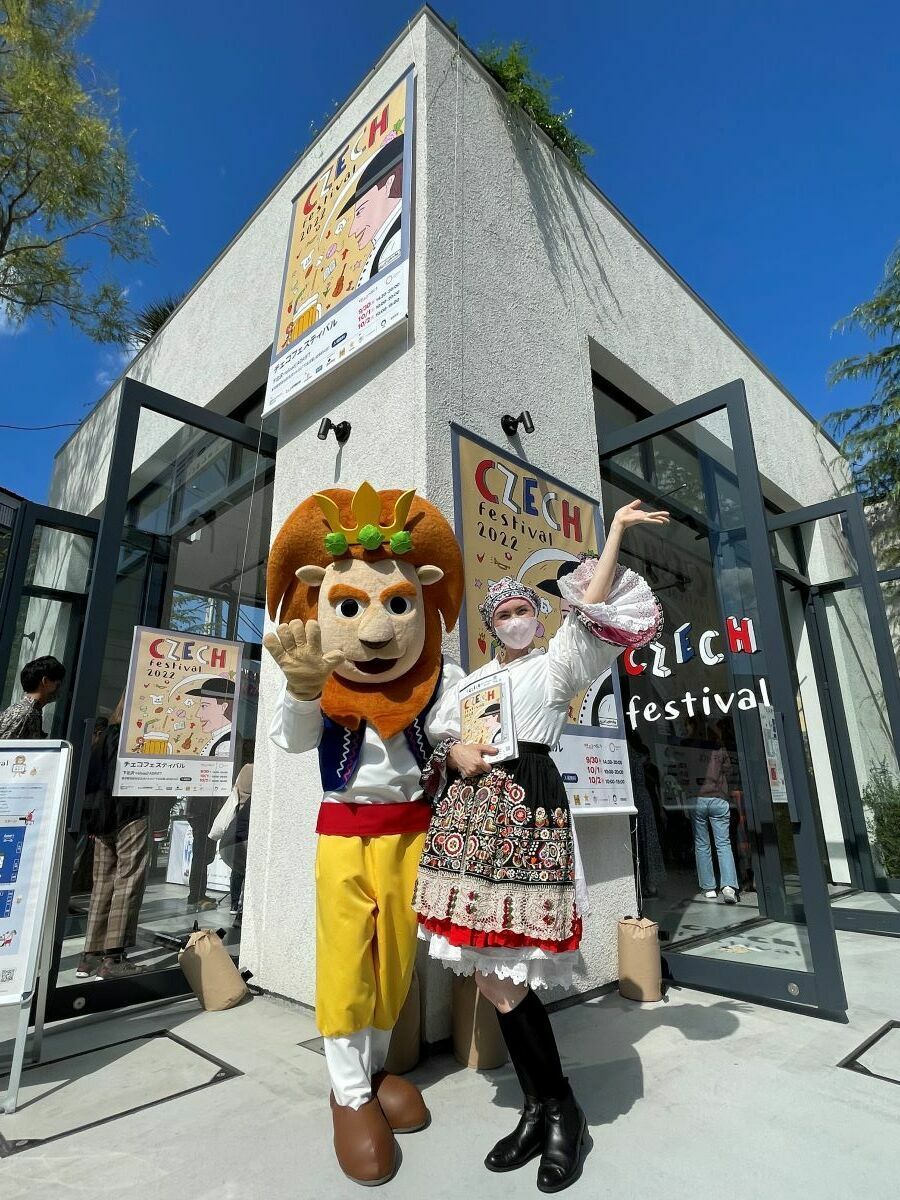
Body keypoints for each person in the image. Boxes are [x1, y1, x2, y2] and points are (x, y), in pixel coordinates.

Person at [413, 499, 667, 1193]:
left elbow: (591, 607)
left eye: (524, 610)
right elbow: (439, 734)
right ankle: (540, 1107)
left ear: (537, 616)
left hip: (527, 803)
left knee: (514, 966)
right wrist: (455, 750)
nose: (516, 620)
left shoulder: (555, 666)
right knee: (489, 974)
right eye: (504, 614)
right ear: (490, 626)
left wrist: (614, 533)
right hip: (470, 817)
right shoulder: (470, 681)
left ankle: (559, 1109)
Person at [265, 482, 465, 1187]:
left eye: (397, 605)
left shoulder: (438, 677)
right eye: (350, 607)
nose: (376, 631)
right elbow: (292, 742)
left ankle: (372, 1071)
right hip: (345, 833)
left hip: (412, 832)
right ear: (322, 603)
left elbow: (455, 730)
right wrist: (301, 691)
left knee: (396, 963)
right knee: (347, 960)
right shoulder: (320, 678)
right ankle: (347, 1094)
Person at [76, 696, 150, 980]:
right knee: (128, 882)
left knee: (102, 884)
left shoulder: (102, 737)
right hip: (129, 813)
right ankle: (113, 958)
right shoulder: (135, 738)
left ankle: (89, 956)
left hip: (100, 819)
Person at [682, 716, 739, 903]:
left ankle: (709, 888)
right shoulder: (719, 747)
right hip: (718, 798)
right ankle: (729, 886)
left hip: (697, 798)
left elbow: (683, 770)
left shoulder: (688, 746)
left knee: (702, 844)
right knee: (723, 843)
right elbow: (729, 770)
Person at [0, 655, 66, 740]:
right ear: (45, 681)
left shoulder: (32, 712)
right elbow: (4, 746)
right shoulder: (24, 714)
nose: (60, 688)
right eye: (58, 683)